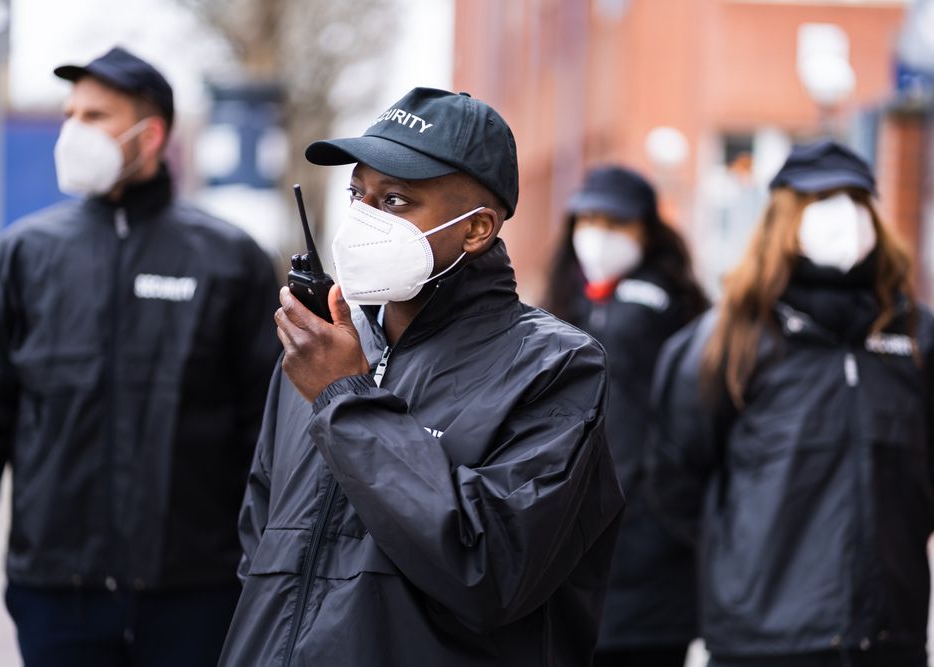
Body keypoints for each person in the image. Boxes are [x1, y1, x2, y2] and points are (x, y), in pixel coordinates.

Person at [216, 87, 624, 667]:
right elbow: (261, 541)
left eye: (397, 201)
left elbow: (491, 569)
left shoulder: (554, 367)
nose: (364, 219)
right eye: (360, 194)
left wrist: (345, 398)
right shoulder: (328, 344)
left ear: (477, 228)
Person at [0, 46, 281, 666]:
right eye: (71, 113)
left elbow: (267, 426)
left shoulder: (229, 260)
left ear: (149, 136)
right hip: (56, 590)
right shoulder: (24, 257)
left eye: (95, 115)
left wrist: (270, 558)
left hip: (197, 589)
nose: (73, 130)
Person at [647, 139, 934, 667]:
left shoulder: (915, 334)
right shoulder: (728, 338)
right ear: (786, 214)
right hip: (763, 640)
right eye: (821, 197)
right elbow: (676, 477)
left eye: (854, 196)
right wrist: (744, 560)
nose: (841, 213)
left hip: (889, 635)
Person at [544, 165, 707, 667]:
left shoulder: (660, 309)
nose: (598, 237)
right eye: (588, 220)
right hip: (577, 554)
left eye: (616, 223)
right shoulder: (565, 302)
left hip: (646, 556)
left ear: (646, 231)